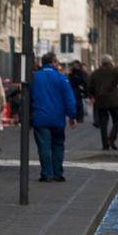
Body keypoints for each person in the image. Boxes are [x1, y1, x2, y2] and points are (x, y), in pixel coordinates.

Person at [30, 51, 77, 181]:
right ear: (54, 62)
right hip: (57, 119)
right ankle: (57, 173)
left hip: (40, 118)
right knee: (58, 145)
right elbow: (69, 99)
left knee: (44, 146)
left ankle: (46, 173)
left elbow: (28, 98)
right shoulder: (62, 78)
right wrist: (72, 116)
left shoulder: (34, 77)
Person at [88, 54, 118, 150]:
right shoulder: (114, 71)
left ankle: (105, 144)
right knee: (117, 121)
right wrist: (116, 69)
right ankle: (111, 139)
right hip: (113, 101)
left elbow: (90, 86)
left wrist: (92, 96)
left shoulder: (95, 73)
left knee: (103, 124)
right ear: (110, 63)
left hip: (101, 101)